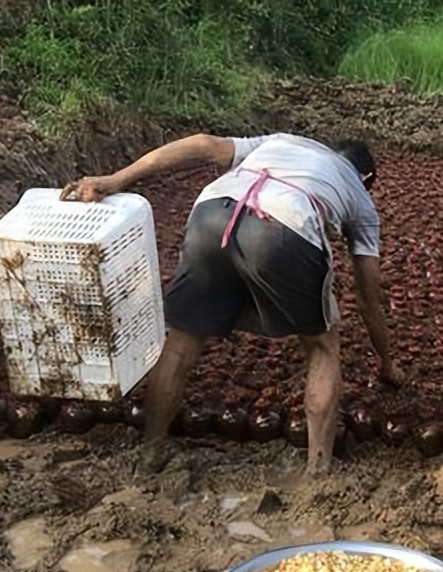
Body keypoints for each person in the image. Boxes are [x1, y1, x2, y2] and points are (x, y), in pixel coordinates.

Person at [62, 131, 405, 474]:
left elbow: (203, 144)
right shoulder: (360, 195)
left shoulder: (283, 142)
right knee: (322, 346)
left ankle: (150, 454)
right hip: (286, 224)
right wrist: (386, 362)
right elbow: (367, 296)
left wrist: (116, 179)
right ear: (367, 178)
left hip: (211, 214)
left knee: (181, 341)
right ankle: (318, 470)